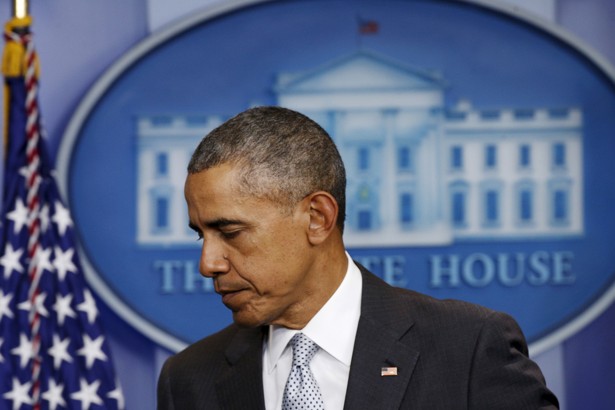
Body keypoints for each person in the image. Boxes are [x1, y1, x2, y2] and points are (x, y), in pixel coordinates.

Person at [157, 106, 558, 409]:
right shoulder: (189, 380)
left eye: (229, 232)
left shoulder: (468, 348)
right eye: (201, 235)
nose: (208, 263)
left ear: (317, 218)